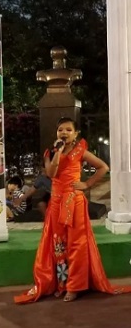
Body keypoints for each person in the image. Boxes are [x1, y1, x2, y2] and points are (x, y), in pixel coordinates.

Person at [15, 117, 129, 304]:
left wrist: (87, 183)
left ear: (75, 134)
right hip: (56, 203)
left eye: (69, 130)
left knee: (77, 244)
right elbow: (51, 174)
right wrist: (58, 152)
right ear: (56, 133)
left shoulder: (80, 151)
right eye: (61, 130)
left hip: (74, 202)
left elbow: (103, 167)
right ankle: (62, 283)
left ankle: (75, 286)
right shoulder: (50, 153)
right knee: (58, 243)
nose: (64, 133)